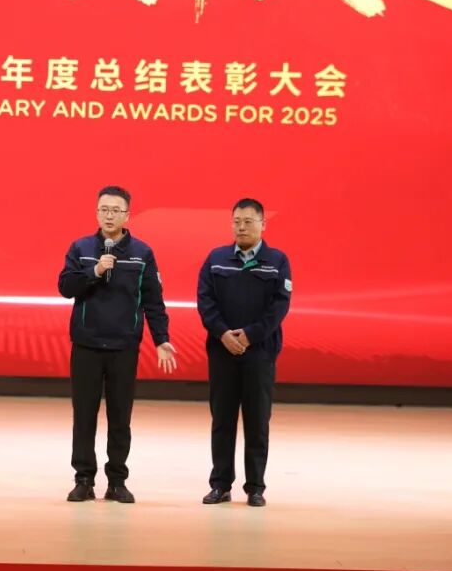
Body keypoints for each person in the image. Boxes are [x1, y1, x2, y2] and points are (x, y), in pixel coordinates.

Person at [58, 185, 177, 504]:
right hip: (87, 345)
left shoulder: (142, 253)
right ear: (96, 212)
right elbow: (65, 287)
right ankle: (84, 479)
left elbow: (153, 301)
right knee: (84, 416)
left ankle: (117, 481)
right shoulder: (81, 248)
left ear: (127, 215)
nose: (109, 216)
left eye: (115, 210)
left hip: (124, 347)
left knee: (120, 417)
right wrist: (95, 270)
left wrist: (162, 339)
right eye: (104, 209)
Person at [197, 198, 292, 507]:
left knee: (257, 422)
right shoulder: (216, 258)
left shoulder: (277, 261)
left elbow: (279, 307)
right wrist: (223, 333)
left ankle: (255, 488)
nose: (241, 227)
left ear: (263, 224)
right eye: (236, 221)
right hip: (222, 352)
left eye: (248, 221)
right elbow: (205, 301)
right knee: (222, 421)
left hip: (259, 354)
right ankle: (220, 485)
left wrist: (250, 335)